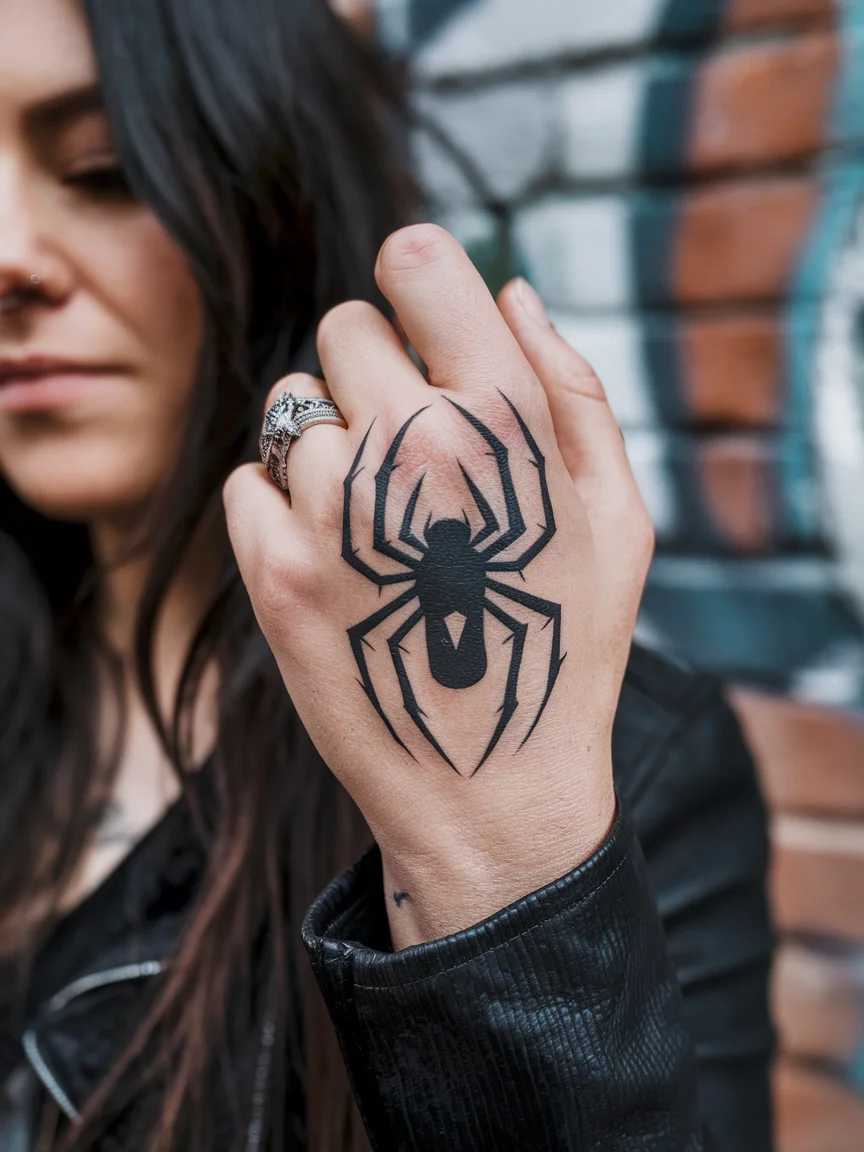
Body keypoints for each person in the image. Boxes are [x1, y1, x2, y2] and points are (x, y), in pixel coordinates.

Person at [0, 0, 775, 1149]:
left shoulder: (622, 762)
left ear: (276, 201)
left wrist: (507, 877)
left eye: (105, 170)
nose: (8, 258)